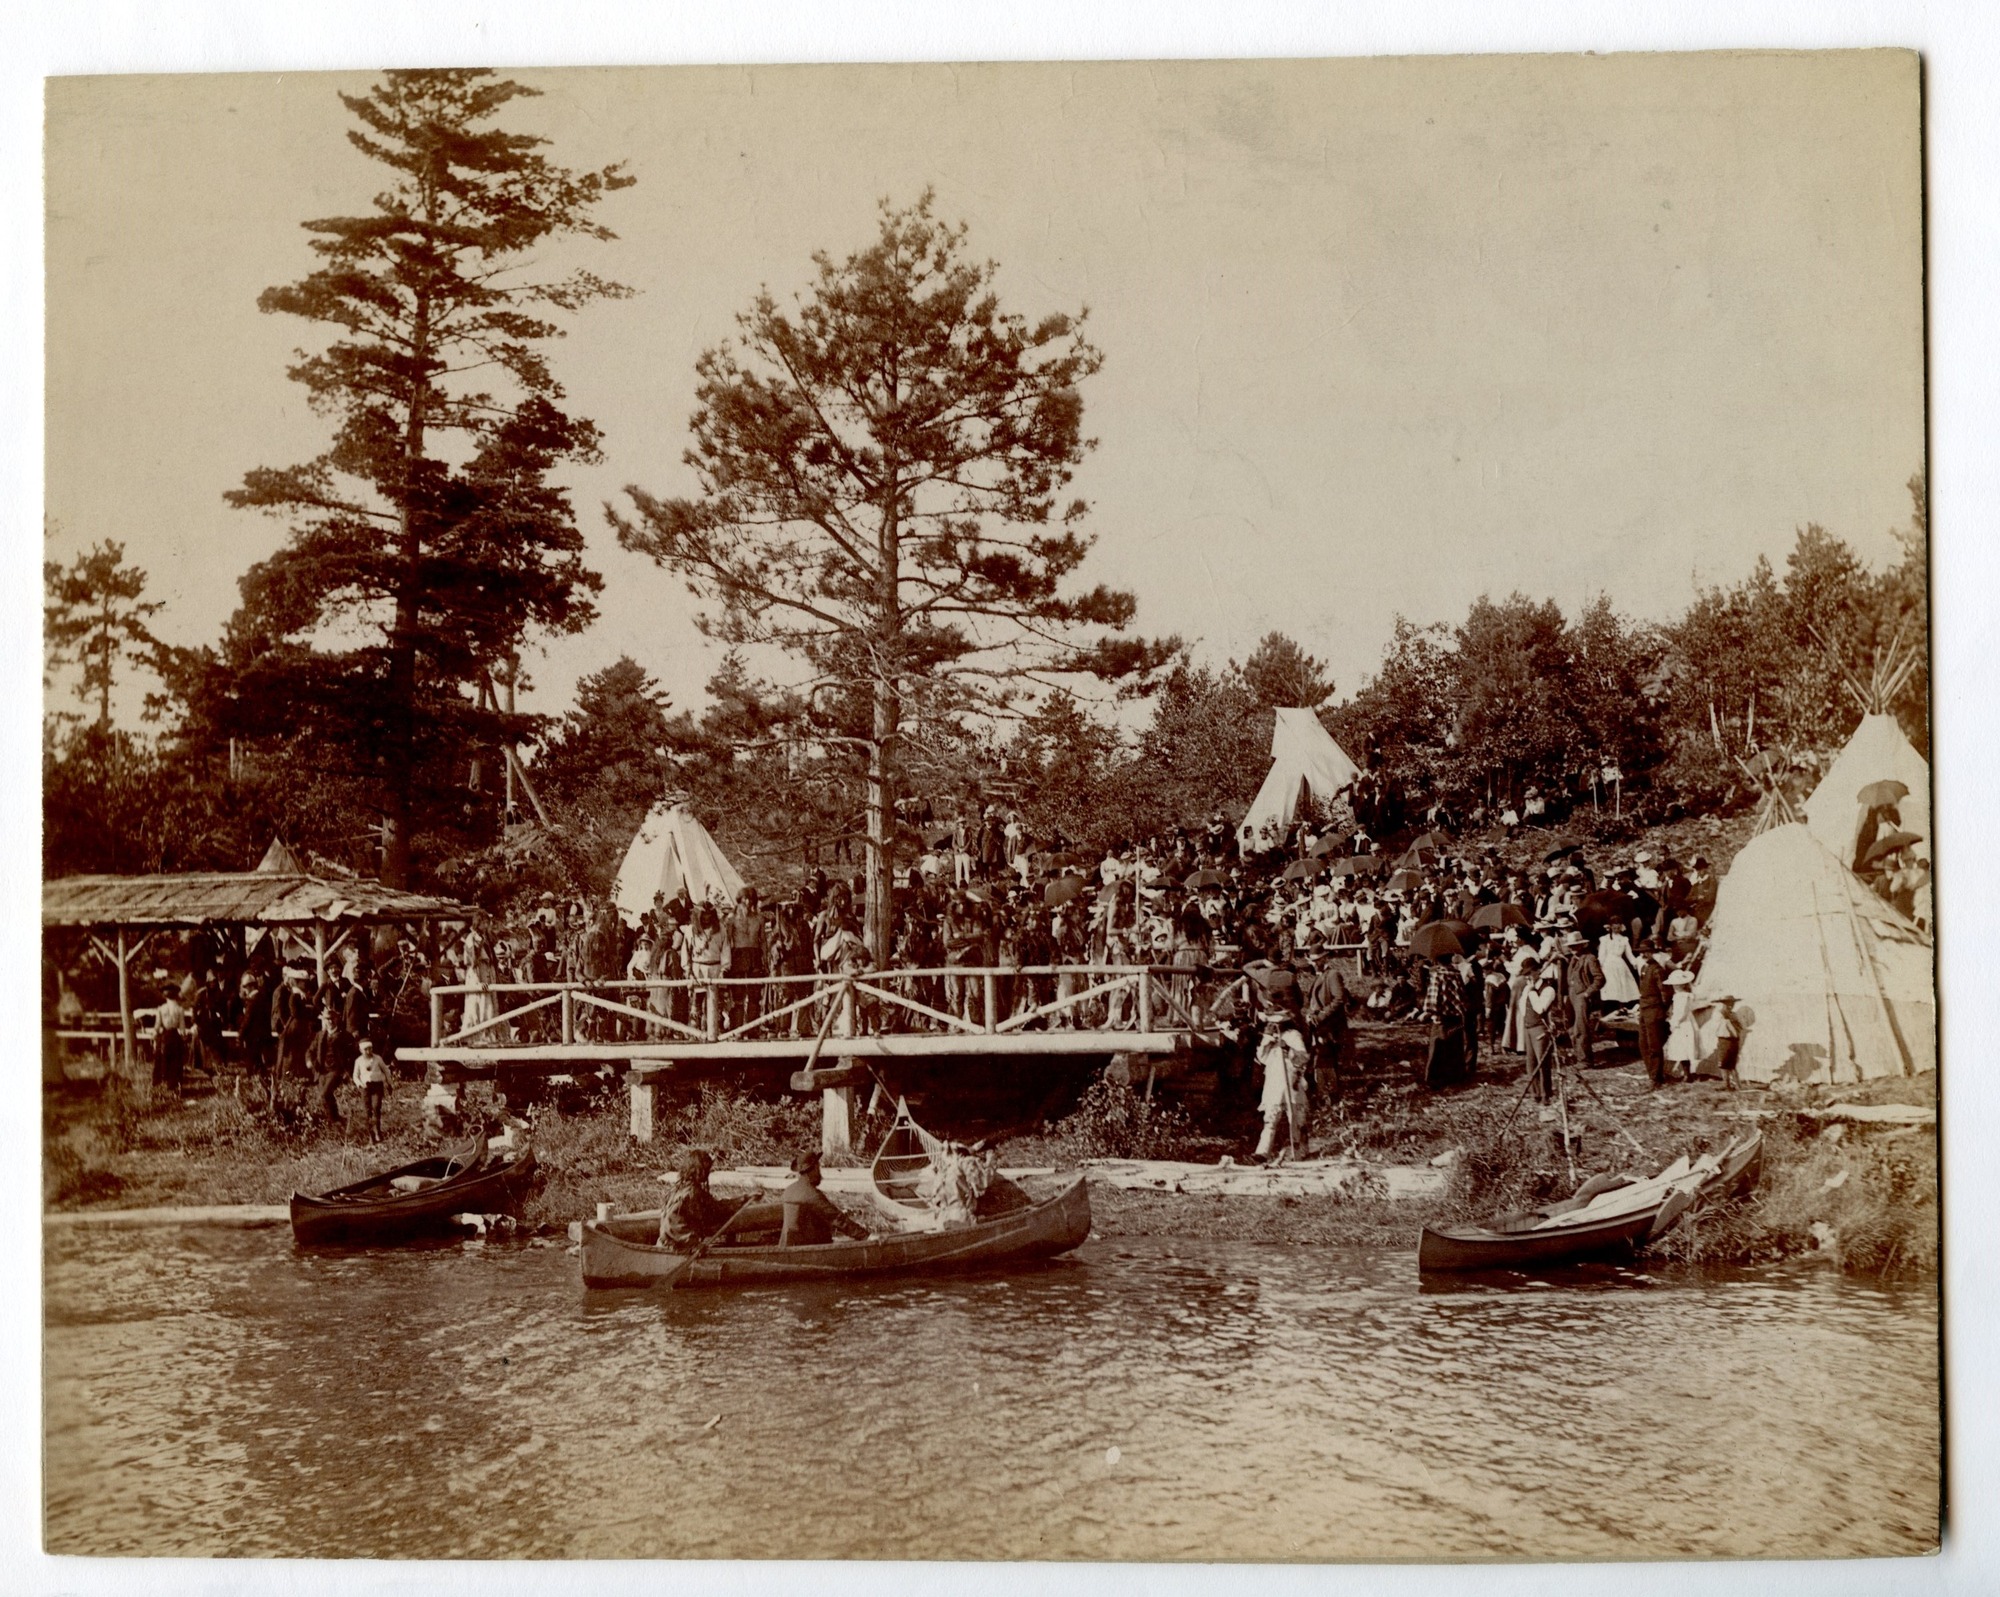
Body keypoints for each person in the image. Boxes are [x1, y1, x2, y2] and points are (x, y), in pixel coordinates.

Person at [657, 1147, 762, 1247]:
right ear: (697, 1170)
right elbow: (672, 1223)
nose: (707, 1173)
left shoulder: (681, 1189)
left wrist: (745, 1198)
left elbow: (716, 1207)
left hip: (673, 1244)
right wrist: (693, 1243)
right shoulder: (690, 1194)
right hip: (675, 1246)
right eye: (705, 1170)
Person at [1253, 1007, 1312, 1163]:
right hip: (1274, 1081)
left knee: (1296, 1118)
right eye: (1271, 1024)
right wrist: (1267, 1042)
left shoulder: (1293, 1036)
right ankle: (1263, 1151)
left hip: (1291, 1080)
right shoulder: (1268, 1038)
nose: (1274, 1026)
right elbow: (1262, 1058)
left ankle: (1299, 1151)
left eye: (1276, 1024)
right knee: (1271, 1117)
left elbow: (1303, 1058)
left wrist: (1287, 1048)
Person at [778, 1149, 870, 1246]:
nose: (819, 1172)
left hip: (787, 1246)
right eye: (818, 1168)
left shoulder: (788, 1191)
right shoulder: (812, 1195)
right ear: (814, 1169)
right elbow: (838, 1219)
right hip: (808, 1250)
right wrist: (866, 1236)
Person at [1634, 942, 1670, 1088]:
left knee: (1654, 1045)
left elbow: (1665, 993)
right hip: (1644, 1008)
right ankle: (1652, 1074)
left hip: (1654, 1010)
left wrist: (1662, 1009)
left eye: (1647, 952)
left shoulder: (1657, 970)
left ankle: (1656, 1078)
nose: (1643, 955)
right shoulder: (1644, 967)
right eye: (1642, 952)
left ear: (1652, 952)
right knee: (1643, 1044)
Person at [352, 1037, 390, 1142]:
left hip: (377, 1086)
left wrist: (389, 1083)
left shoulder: (377, 1059)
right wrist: (360, 1084)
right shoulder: (358, 1061)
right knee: (367, 1111)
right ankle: (371, 1134)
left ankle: (377, 1131)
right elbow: (355, 1076)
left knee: (376, 1107)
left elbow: (386, 1071)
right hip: (365, 1088)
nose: (368, 1051)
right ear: (361, 1050)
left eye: (370, 1048)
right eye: (366, 1049)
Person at [1709, 995, 1743, 1090]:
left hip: (1731, 1041)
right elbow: (1719, 1027)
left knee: (1730, 1064)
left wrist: (1733, 1030)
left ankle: (1736, 1085)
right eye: (1728, 1003)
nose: (1730, 1005)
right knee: (1724, 1063)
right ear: (1723, 1003)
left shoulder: (1733, 1014)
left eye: (1732, 1003)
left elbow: (1738, 1027)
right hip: (1724, 1040)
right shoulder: (1719, 1014)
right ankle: (1727, 1084)